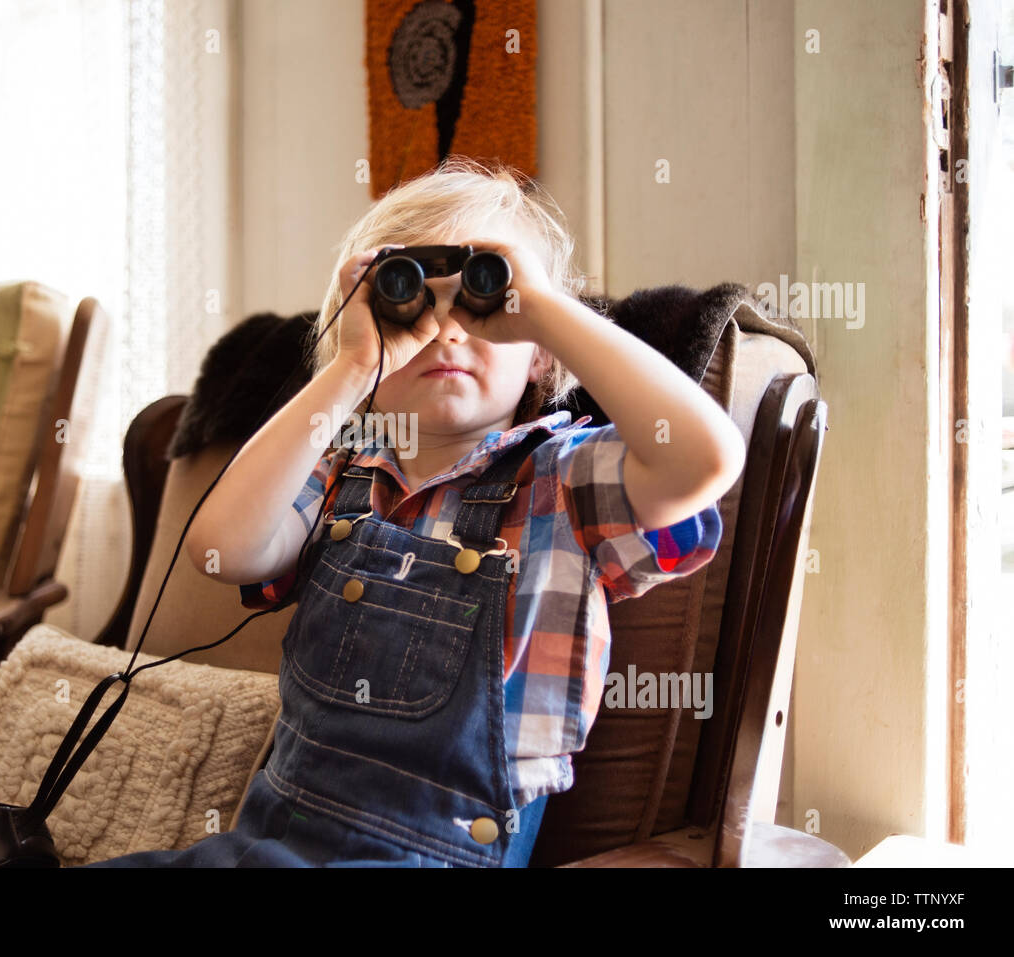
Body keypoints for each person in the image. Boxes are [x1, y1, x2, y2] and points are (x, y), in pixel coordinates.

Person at [88, 156, 744, 867]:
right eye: (410, 297)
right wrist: (349, 368)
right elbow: (221, 546)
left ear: (540, 361)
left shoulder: (563, 480)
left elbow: (706, 458)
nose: (446, 329)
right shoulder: (344, 471)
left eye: (482, 298)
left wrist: (547, 311)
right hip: (264, 843)